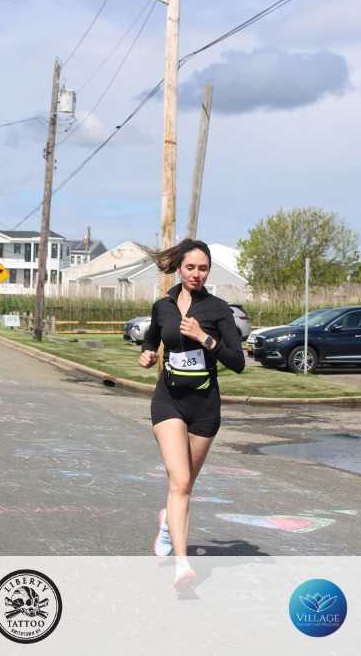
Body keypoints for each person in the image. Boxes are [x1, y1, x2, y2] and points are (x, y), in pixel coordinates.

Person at [138, 239, 245, 592]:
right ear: (179, 268)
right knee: (181, 481)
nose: (196, 274)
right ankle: (182, 565)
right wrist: (148, 354)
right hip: (168, 400)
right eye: (190, 267)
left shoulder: (218, 310)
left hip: (205, 406)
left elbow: (238, 362)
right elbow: (152, 339)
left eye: (203, 268)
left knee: (184, 485)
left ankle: (168, 520)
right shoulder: (163, 306)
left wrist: (204, 338)